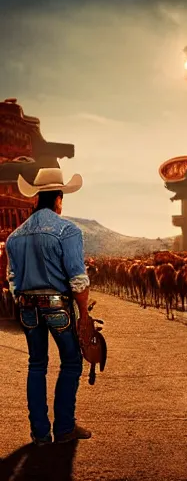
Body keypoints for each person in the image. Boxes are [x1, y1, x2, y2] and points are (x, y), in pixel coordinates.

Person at [6, 168, 92, 445]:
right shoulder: (67, 231)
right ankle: (65, 427)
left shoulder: (15, 237)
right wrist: (84, 317)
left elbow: (12, 281)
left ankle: (40, 433)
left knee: (37, 364)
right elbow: (78, 281)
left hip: (27, 306)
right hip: (58, 306)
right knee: (71, 362)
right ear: (58, 199)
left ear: (36, 198)